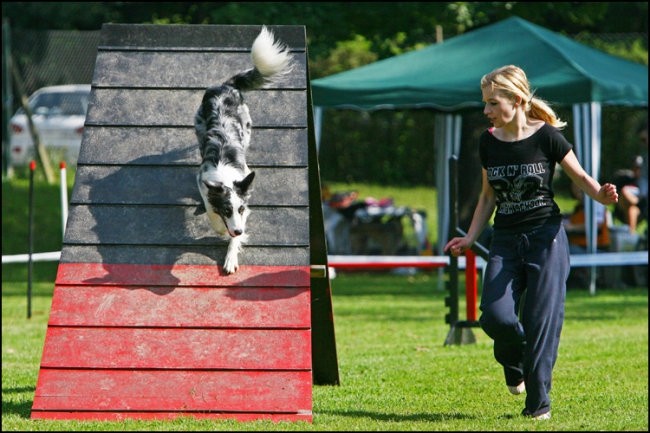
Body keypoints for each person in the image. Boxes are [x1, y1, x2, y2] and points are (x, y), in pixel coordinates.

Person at [444, 65, 618, 421]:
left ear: (517, 99)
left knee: (541, 322)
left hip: (546, 238)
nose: (486, 111)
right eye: (485, 103)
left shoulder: (547, 137)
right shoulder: (488, 141)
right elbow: (487, 197)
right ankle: (514, 361)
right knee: (495, 317)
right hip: (505, 240)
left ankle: (538, 405)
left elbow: (581, 176)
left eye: (493, 103)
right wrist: (471, 236)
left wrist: (600, 195)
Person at [616, 123, 648, 234]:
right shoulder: (644, 153)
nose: (643, 142)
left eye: (644, 139)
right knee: (631, 209)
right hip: (639, 199)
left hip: (643, 199)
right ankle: (631, 237)